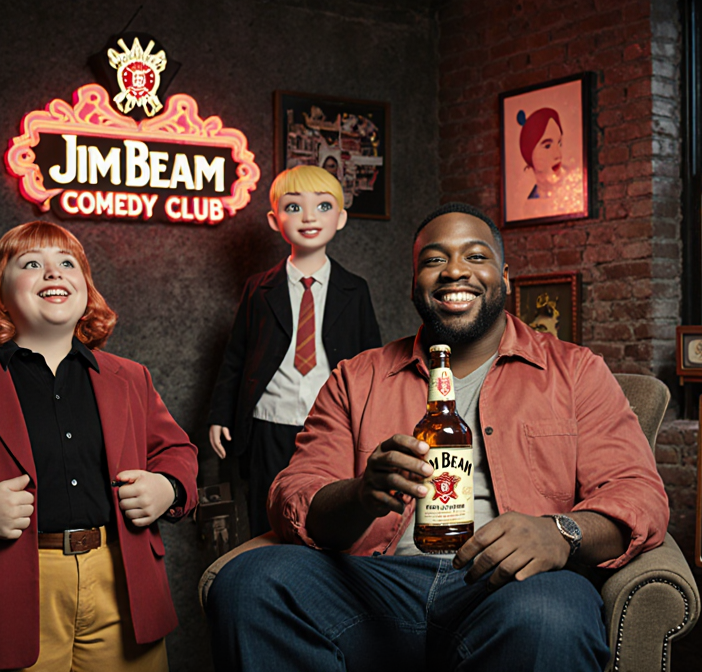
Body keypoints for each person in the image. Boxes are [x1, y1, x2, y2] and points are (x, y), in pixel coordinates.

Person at [207, 203, 669, 671]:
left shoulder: (575, 372)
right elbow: (295, 491)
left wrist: (559, 532)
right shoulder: (356, 377)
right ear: (414, 282)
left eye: (475, 257)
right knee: (250, 581)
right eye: (433, 260)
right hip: (375, 583)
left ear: (504, 276)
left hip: (511, 584)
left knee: (552, 612)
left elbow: (637, 493)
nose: (453, 272)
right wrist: (361, 495)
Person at [0, 221, 198, 671]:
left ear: (86, 289)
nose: (53, 273)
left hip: (122, 581)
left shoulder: (131, 378)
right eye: (31, 264)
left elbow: (177, 451)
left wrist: (168, 486)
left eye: (67, 264)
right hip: (7, 593)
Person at [207, 165, 381, 537]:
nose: (307, 217)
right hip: (269, 419)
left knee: (327, 512)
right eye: (293, 207)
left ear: (341, 218)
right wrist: (221, 414)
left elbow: (372, 360)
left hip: (332, 421)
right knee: (264, 514)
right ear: (274, 220)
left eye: (322, 206)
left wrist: (373, 420)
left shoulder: (355, 290)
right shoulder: (259, 289)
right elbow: (235, 355)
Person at [518, 107, 566, 200]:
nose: (558, 155)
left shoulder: (570, 194)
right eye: (547, 146)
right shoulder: (528, 205)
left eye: (559, 144)